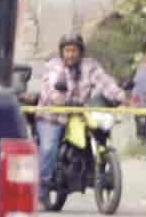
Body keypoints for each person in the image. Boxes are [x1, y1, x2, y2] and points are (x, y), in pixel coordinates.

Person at [32, 35, 124, 189]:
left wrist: (121, 97)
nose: (71, 54)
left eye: (74, 50)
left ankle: (93, 169)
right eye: (67, 50)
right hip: (53, 116)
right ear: (62, 52)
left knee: (100, 130)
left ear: (80, 52)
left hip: (80, 114)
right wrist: (59, 99)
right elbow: (50, 86)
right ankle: (41, 190)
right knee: (49, 148)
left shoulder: (90, 66)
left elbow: (105, 82)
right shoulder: (55, 66)